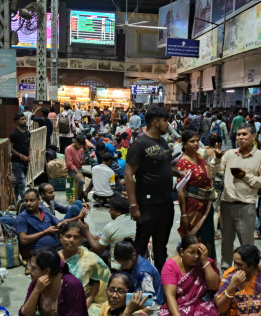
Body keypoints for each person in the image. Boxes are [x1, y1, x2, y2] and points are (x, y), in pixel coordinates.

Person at [125, 106, 181, 271]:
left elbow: (165, 166)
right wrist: (133, 205)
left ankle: (161, 282)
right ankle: (136, 279)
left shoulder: (163, 142)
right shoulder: (139, 144)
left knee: (161, 245)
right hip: (147, 204)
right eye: (165, 121)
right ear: (156, 122)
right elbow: (129, 175)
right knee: (141, 245)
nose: (167, 125)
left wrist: (180, 172)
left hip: (166, 202)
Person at [212, 123, 261, 269]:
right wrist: (218, 159)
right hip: (227, 204)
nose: (240, 137)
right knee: (226, 241)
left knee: (246, 244)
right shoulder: (230, 154)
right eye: (238, 134)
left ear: (254, 137)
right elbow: (216, 169)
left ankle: (248, 271)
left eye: (244, 134)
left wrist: (246, 176)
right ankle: (225, 270)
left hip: (246, 206)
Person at [157, 235, 222, 316]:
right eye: (191, 252)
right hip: (177, 308)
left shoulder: (203, 263)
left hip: (199, 305)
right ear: (182, 251)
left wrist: (205, 261)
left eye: (199, 252)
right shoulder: (171, 265)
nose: (196, 256)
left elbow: (214, 286)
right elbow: (170, 295)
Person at [58, 221, 111, 316]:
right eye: (68, 236)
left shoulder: (89, 259)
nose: (71, 240)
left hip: (82, 302)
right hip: (57, 302)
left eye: (76, 237)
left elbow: (95, 284)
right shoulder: (53, 258)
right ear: (61, 238)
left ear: (81, 240)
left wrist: (85, 304)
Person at [177, 130, 217, 259]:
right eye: (191, 141)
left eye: (196, 140)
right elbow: (181, 190)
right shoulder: (182, 162)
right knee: (194, 238)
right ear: (184, 144)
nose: (195, 144)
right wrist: (183, 214)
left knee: (207, 236)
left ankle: (208, 265)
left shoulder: (199, 157)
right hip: (193, 206)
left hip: (207, 204)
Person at [112, 238, 164, 316]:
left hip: (153, 309)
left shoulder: (143, 273)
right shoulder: (137, 261)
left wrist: (130, 315)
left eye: (125, 264)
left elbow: (151, 302)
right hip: (139, 300)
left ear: (133, 255)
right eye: (121, 264)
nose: (123, 266)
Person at [79, 195, 136, 271]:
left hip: (118, 267)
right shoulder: (135, 219)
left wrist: (86, 231)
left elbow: (98, 250)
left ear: (119, 212)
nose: (109, 211)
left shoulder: (110, 226)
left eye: (111, 209)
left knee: (90, 249)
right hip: (133, 260)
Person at [16, 189, 63, 258]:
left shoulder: (45, 212)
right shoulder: (22, 217)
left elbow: (58, 224)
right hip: (39, 252)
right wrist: (45, 232)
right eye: (26, 201)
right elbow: (23, 240)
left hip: (56, 247)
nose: (28, 203)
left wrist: (60, 226)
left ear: (38, 200)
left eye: (32, 200)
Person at [9, 112, 32, 202]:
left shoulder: (27, 133)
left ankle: (13, 201)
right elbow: (11, 148)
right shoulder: (14, 134)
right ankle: (25, 203)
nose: (24, 121)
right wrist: (21, 156)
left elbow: (29, 146)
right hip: (16, 163)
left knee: (19, 184)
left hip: (25, 162)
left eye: (25, 119)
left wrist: (30, 155)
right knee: (22, 184)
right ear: (16, 122)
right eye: (22, 119)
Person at [65, 134, 87, 202]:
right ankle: (78, 198)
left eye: (81, 145)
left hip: (79, 169)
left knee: (93, 175)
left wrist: (84, 161)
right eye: (79, 145)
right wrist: (78, 172)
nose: (80, 147)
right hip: (72, 170)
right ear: (75, 142)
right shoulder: (68, 149)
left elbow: (80, 162)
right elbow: (69, 163)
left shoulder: (81, 149)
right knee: (81, 181)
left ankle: (85, 193)